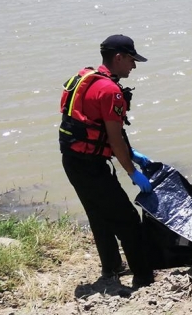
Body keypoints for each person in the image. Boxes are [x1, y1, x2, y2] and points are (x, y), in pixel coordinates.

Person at [58, 34, 155, 289]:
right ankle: (144, 277)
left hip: (72, 160)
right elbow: (114, 138)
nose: (133, 66)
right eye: (132, 60)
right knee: (128, 220)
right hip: (91, 166)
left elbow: (96, 126)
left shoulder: (86, 78)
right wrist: (133, 171)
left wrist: (131, 152)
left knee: (98, 215)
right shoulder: (111, 91)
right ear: (119, 57)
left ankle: (111, 267)